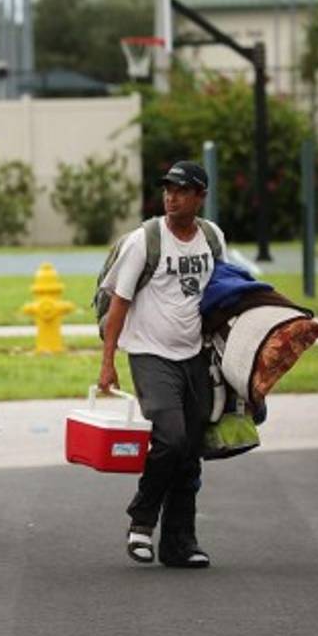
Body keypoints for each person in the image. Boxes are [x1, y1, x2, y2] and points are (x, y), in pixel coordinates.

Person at [98, 160, 225, 569]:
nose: (171, 196)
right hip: (151, 354)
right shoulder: (144, 241)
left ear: (200, 196)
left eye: (181, 190)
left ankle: (180, 543)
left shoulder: (211, 237)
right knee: (169, 438)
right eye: (167, 189)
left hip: (196, 355)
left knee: (189, 450)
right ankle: (141, 520)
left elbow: (223, 291)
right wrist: (107, 363)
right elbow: (119, 303)